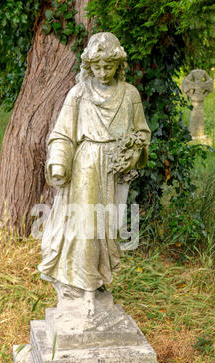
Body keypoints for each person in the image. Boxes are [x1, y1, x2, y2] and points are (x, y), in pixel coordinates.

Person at [38, 32, 151, 313]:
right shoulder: (78, 93)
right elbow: (62, 134)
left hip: (114, 170)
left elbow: (142, 132)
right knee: (87, 228)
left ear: (118, 65)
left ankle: (99, 284)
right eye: (97, 67)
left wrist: (133, 152)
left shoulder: (130, 95)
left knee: (107, 229)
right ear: (89, 66)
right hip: (86, 166)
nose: (102, 72)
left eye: (108, 67)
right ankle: (85, 288)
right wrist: (58, 163)